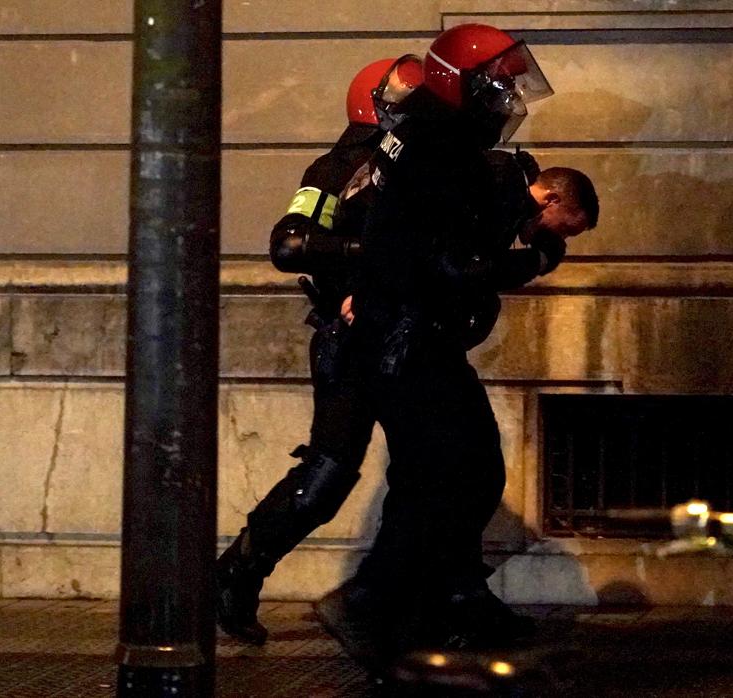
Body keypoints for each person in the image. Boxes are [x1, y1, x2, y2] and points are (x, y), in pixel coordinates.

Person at [310, 23, 572, 672]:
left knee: (464, 467)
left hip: (410, 332)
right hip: (405, 336)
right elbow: (456, 262)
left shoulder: (433, 139)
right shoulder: (438, 148)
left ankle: (449, 598)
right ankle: (376, 601)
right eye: (501, 83)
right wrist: (532, 259)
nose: (509, 95)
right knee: (444, 473)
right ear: (465, 83)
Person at [214, 55, 423, 646]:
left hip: (409, 338)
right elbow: (291, 243)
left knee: (432, 469)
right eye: (409, 101)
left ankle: (402, 595)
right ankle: (236, 572)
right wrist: (372, 256)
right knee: (328, 473)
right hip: (353, 341)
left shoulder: (421, 170)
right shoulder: (337, 169)